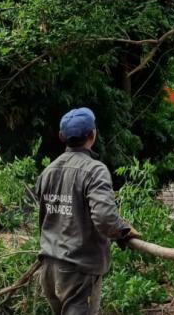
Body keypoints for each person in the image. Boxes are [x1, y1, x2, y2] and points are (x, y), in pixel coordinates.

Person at [36, 107, 141, 314]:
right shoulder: (95, 170)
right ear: (93, 135)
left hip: (49, 267)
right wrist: (123, 231)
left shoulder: (47, 172)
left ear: (61, 136)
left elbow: (45, 217)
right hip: (78, 269)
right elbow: (105, 219)